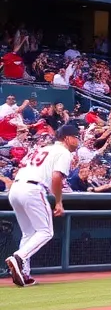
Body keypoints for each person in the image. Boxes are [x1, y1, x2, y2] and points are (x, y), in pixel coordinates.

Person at [5, 122, 79, 286]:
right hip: (33, 189)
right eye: (76, 137)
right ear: (66, 138)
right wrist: (58, 202)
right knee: (46, 232)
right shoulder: (63, 152)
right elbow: (56, 178)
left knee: (29, 233)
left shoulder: (44, 148)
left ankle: (24, 273)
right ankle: (19, 256)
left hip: (16, 188)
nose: (77, 141)